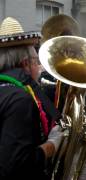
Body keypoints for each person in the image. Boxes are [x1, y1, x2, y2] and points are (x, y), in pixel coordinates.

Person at [0, 17, 64, 179]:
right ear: (25, 64)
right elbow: (18, 165)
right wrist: (52, 145)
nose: (39, 67)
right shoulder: (20, 99)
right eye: (36, 61)